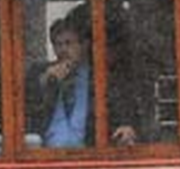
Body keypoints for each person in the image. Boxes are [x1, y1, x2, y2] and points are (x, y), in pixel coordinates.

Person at [27, 8, 136, 148]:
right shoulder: (41, 73)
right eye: (58, 44)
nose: (63, 50)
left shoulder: (100, 77)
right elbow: (28, 112)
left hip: (89, 153)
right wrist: (46, 83)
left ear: (83, 45)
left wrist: (125, 128)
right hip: (46, 155)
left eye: (68, 43)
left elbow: (120, 114)